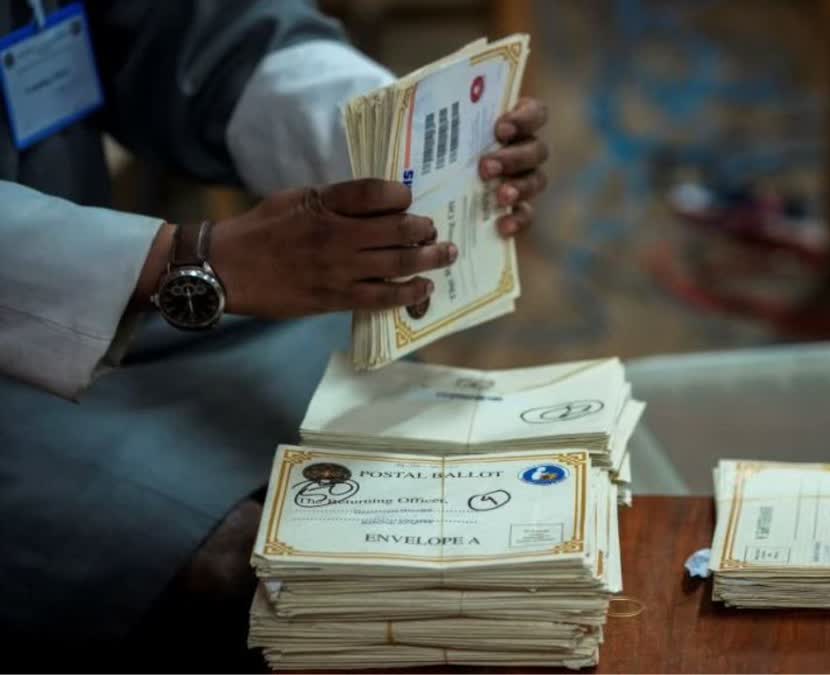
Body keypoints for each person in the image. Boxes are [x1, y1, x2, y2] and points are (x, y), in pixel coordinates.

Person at [0, 0, 549, 665]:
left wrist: (398, 149)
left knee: (365, 365)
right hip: (58, 306)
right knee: (261, 565)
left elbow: (188, 29)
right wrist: (185, 260)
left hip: (93, 310)